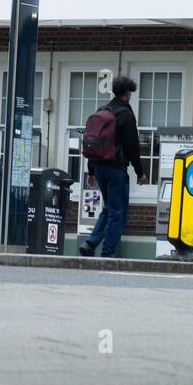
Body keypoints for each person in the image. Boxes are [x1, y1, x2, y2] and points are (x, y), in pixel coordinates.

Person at [78, 75, 148, 259]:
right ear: (128, 93)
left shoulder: (102, 111)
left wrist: (91, 171)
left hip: (99, 168)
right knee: (117, 213)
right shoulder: (125, 115)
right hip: (116, 169)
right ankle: (107, 253)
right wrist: (140, 173)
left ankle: (91, 242)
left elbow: (93, 142)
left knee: (109, 207)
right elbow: (132, 147)